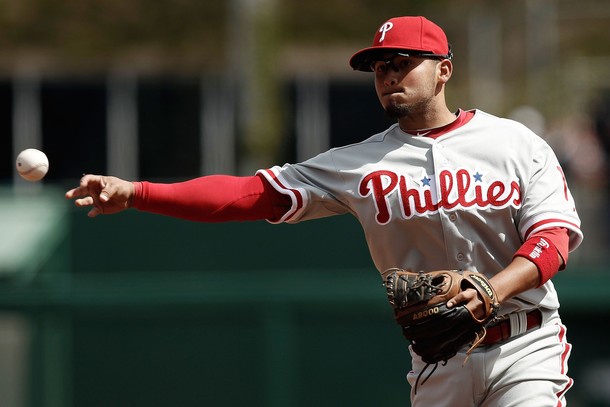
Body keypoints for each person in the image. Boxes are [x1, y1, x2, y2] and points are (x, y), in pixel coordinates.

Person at [66, 16, 583, 407]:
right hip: (438, 357)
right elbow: (248, 195)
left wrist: (492, 289)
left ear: (444, 70)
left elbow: (553, 237)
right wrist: (138, 192)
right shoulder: (355, 163)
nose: (388, 74)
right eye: (380, 66)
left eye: (403, 62)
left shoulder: (513, 142)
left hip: (525, 342)